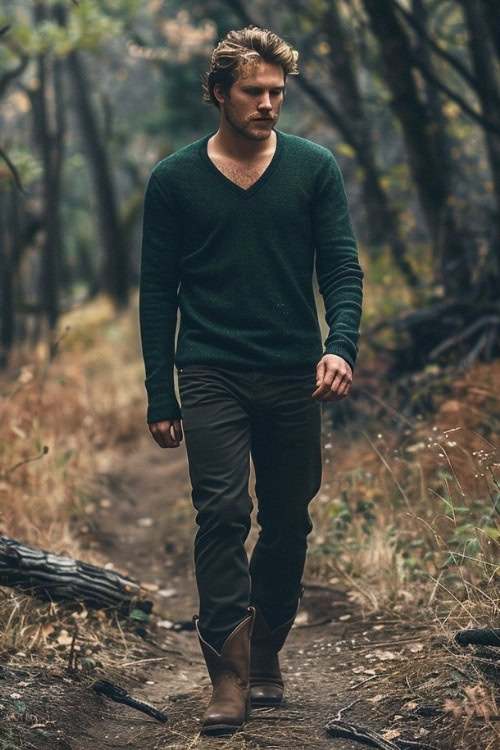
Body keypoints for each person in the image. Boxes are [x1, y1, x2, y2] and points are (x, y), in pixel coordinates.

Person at [139, 26, 363, 736]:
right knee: (223, 514)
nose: (268, 103)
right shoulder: (174, 179)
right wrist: (159, 391)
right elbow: (156, 293)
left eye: (276, 92)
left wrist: (341, 346)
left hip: (296, 371)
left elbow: (341, 269)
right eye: (253, 91)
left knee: (289, 518)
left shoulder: (313, 167)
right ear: (217, 94)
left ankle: (265, 647)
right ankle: (227, 676)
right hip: (209, 372)